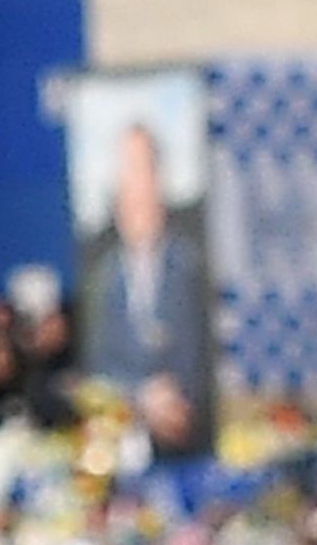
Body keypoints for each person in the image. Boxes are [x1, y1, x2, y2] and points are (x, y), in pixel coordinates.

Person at [74, 118, 216, 406]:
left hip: (193, 418)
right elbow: (98, 361)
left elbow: (206, 352)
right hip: (127, 419)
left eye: (143, 172)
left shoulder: (191, 264)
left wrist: (177, 401)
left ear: (160, 180)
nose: (136, 190)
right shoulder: (105, 275)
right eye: (128, 174)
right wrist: (143, 397)